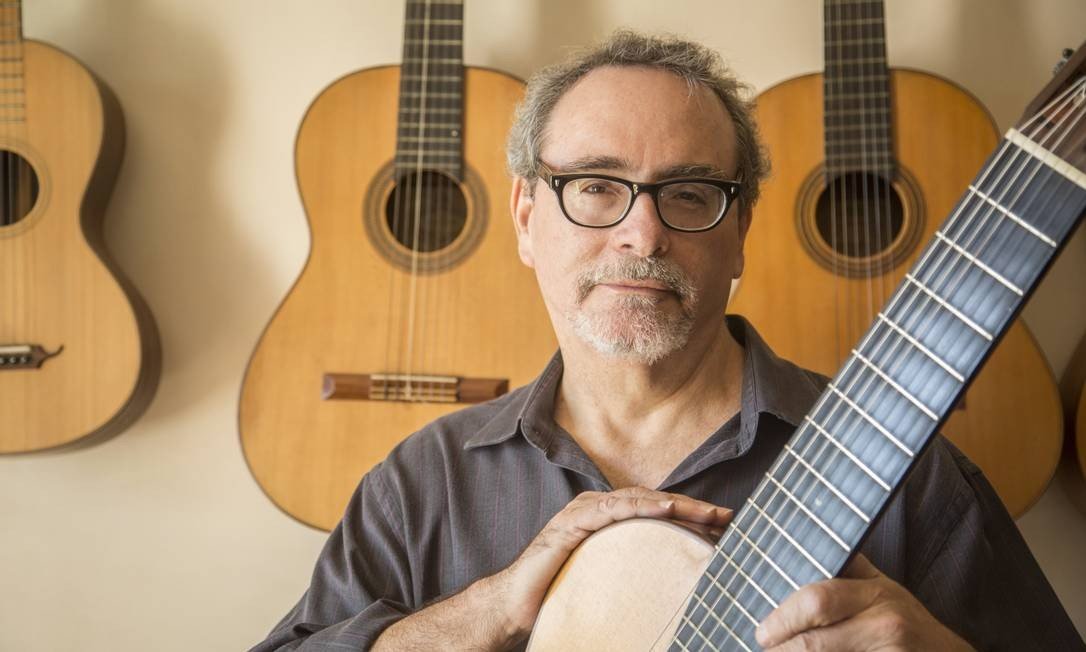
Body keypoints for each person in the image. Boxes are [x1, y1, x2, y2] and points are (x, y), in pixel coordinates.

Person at [251, 31, 1084, 651]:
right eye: (595, 186)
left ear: (741, 230)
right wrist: (489, 610)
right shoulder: (422, 483)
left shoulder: (908, 470)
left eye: (689, 193)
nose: (642, 235)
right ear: (526, 217)